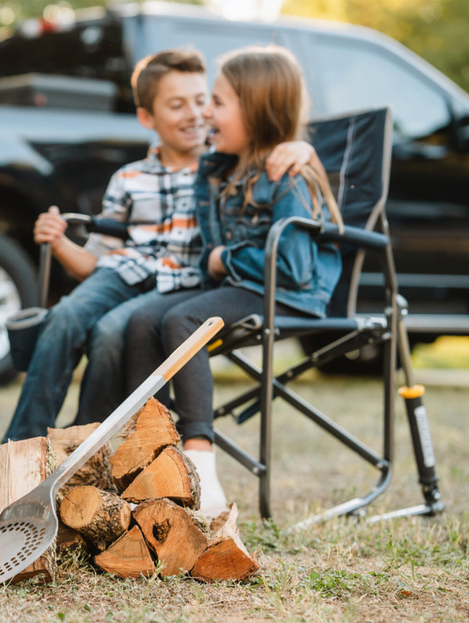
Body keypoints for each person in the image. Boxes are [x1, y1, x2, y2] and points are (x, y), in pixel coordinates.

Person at [2, 47, 316, 443]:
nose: (195, 113)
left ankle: (84, 445)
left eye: (203, 101)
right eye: (176, 105)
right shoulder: (129, 178)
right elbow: (93, 262)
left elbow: (272, 148)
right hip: (123, 271)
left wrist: (302, 148)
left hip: (183, 284)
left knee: (111, 330)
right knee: (64, 316)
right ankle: (22, 444)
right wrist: (60, 242)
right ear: (147, 117)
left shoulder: (224, 168)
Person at [124, 45, 342, 516]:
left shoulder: (288, 174)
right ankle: (150, 458)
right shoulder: (222, 169)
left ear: (258, 111)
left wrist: (226, 257)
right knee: (144, 319)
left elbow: (293, 267)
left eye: (217, 103)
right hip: (246, 287)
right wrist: (217, 261)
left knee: (183, 319)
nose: (205, 112)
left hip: (289, 295)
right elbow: (209, 256)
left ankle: (200, 464)